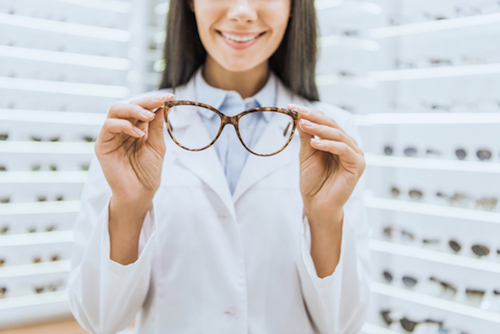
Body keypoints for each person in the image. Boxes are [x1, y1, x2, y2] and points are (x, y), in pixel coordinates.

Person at [67, 0, 370, 332]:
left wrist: (324, 217)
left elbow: (343, 325)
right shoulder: (132, 129)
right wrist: (129, 207)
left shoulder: (335, 136)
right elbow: (99, 318)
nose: (242, 11)